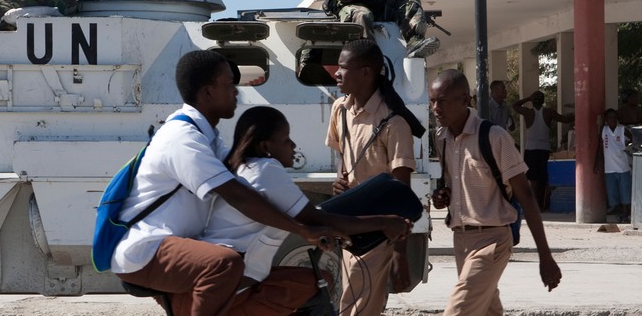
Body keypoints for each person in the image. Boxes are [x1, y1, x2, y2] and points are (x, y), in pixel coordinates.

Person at [111, 50, 342, 316]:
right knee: (225, 264)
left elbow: (246, 178)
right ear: (208, 92)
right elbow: (237, 195)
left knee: (299, 283)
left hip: (180, 248)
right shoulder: (182, 138)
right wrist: (301, 229)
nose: (236, 92)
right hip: (148, 250)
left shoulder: (210, 140)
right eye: (229, 84)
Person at [198, 106, 411, 313]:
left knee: (310, 281)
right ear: (265, 147)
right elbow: (317, 219)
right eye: (286, 139)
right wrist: (384, 222)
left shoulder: (244, 168)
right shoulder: (266, 169)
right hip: (237, 282)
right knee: (316, 283)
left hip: (225, 275)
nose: (293, 145)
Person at [429, 70, 560, 314]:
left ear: (465, 100)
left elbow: (527, 197)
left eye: (443, 101)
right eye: (432, 101)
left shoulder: (494, 137)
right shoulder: (441, 138)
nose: (436, 107)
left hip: (492, 240)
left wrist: (545, 256)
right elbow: (453, 183)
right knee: (488, 310)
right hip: (460, 239)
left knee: (458, 310)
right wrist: (443, 195)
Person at [325, 39, 426, 316]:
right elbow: (342, 158)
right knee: (358, 303)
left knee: (355, 307)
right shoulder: (340, 110)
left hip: (379, 233)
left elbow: (401, 196)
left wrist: (399, 253)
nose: (337, 73)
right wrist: (339, 181)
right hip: (350, 226)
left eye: (344, 68)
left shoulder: (394, 123)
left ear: (366, 72)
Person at [511, 91, 573, 211]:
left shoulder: (528, 112)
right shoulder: (548, 112)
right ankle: (541, 204)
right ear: (544, 101)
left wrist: (528, 98)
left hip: (531, 149)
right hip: (544, 149)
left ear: (532, 101)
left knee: (534, 179)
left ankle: (536, 205)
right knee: (543, 179)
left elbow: (515, 105)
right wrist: (577, 115)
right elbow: (565, 119)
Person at [598, 108, 632, 221]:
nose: (612, 119)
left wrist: (628, 147)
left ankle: (625, 214)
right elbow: (599, 143)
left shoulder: (622, 130)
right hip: (609, 168)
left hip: (622, 166)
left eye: (614, 117)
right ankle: (618, 212)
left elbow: (633, 138)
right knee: (612, 192)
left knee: (625, 192)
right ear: (606, 120)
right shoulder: (604, 130)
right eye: (609, 117)